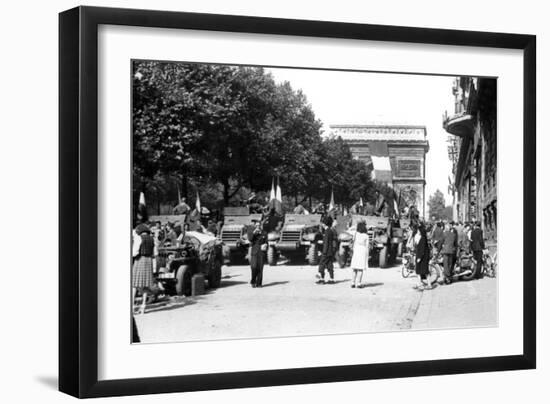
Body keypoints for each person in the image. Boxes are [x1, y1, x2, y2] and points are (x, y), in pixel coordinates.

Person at [132, 223, 155, 315]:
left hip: (140, 259)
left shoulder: (139, 238)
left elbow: (134, 252)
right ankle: (143, 306)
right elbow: (154, 252)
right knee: (145, 285)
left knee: (134, 284)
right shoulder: (151, 239)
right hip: (148, 260)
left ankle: (132, 306)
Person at [316, 216, 337, 284]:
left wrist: (323, 252)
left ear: (324, 223)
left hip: (326, 251)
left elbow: (327, 243)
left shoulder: (327, 231)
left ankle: (321, 278)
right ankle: (331, 278)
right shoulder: (330, 231)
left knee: (322, 263)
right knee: (329, 264)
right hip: (330, 251)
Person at [247, 219, 267, 287]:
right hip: (254, 252)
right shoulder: (251, 232)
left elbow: (267, 242)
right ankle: (253, 281)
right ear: (255, 226)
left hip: (261, 252)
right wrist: (254, 233)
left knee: (260, 268)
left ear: (261, 225)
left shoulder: (264, 233)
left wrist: (265, 245)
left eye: (259, 225)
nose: (258, 226)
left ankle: (259, 283)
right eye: (257, 225)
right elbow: (250, 239)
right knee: (254, 267)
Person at [350, 221, 369, 288]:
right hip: (363, 251)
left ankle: (352, 282)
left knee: (354, 268)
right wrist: (367, 254)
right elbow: (367, 246)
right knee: (360, 269)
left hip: (356, 250)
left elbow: (353, 241)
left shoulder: (355, 234)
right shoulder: (366, 236)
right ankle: (359, 283)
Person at [414, 223, 433, 290]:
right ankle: (421, 284)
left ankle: (422, 284)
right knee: (423, 272)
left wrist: (419, 258)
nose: (418, 231)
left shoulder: (422, 239)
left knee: (420, 271)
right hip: (424, 258)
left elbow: (421, 250)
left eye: (418, 230)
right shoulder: (423, 238)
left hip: (422, 258)